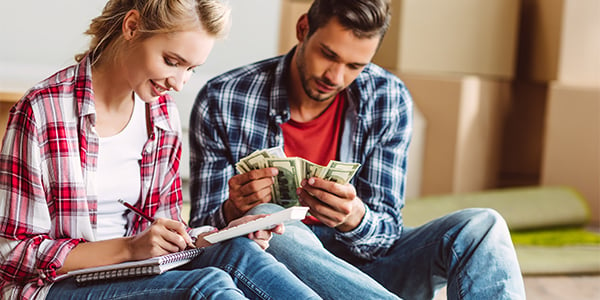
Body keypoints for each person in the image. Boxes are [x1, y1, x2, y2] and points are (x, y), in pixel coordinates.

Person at [189, 0, 527, 299]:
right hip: (283, 277)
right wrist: (235, 211)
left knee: (482, 226)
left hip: (372, 271)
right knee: (266, 220)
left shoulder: (387, 98)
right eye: (328, 55)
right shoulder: (224, 98)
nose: (335, 77)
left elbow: (386, 234)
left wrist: (354, 218)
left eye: (355, 66)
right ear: (303, 28)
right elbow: (203, 239)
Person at [0, 1, 322, 299]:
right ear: (132, 26)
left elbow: (165, 234)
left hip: (135, 273)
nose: (179, 83)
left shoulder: (161, 113)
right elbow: (11, 253)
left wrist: (219, 234)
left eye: (191, 69)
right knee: (206, 288)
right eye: (172, 61)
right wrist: (129, 249)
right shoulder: (42, 111)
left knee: (241, 254)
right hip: (55, 286)